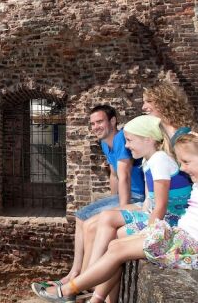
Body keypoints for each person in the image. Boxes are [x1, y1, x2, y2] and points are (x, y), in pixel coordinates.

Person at [32, 128, 198, 303]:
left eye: (186, 162)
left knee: (119, 251)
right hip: (183, 237)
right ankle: (94, 295)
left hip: (192, 245)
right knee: (117, 244)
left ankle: (68, 290)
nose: (182, 168)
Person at [84, 115, 192, 273]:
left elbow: (161, 206)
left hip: (172, 219)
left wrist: (148, 234)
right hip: (157, 214)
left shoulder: (160, 160)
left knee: (117, 235)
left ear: (148, 140)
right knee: (106, 219)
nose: (126, 146)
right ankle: (89, 277)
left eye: (129, 140)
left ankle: (89, 279)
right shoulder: (148, 160)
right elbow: (151, 200)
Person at [54, 105, 145, 287]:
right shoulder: (105, 142)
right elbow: (114, 175)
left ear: (112, 121)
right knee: (81, 217)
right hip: (125, 194)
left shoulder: (121, 139)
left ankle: (80, 278)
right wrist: (113, 200)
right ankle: (76, 272)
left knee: (87, 223)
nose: (95, 127)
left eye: (99, 122)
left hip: (137, 196)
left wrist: (122, 208)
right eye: (93, 123)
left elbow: (125, 176)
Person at [142, 81, 196, 145]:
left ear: (165, 103)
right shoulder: (151, 134)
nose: (143, 107)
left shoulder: (185, 135)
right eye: (144, 102)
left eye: (149, 101)